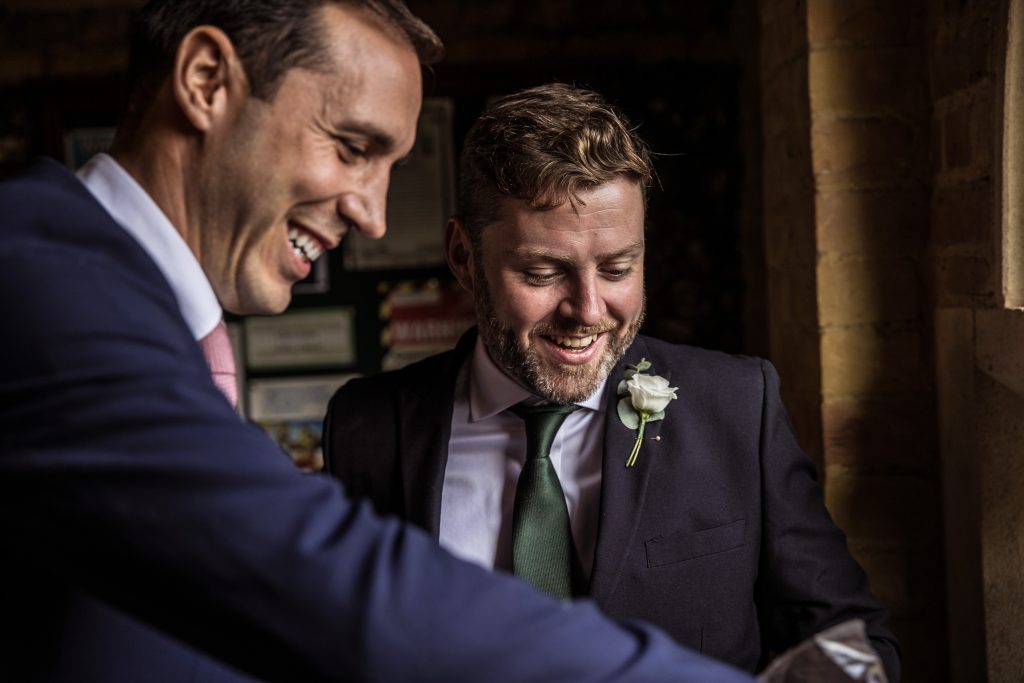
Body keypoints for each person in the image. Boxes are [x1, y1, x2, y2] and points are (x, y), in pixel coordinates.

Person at [0, 3, 755, 683]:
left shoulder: (136, 318)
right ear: (205, 80)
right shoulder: (38, 271)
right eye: (353, 147)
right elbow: (325, 577)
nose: (374, 216)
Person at [323, 83, 902, 680]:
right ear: (464, 257)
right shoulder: (366, 429)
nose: (590, 310)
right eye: (543, 271)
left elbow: (852, 644)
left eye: (618, 268)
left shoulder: (737, 406)